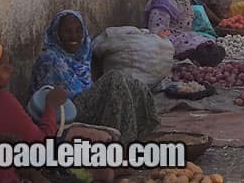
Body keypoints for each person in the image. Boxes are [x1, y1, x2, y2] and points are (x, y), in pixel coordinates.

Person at [31, 11, 158, 142]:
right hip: (65, 113)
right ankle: (121, 142)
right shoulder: (49, 59)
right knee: (114, 79)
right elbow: (61, 98)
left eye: (78, 30)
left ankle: (134, 135)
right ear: (56, 34)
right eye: (67, 31)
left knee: (134, 85)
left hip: (84, 106)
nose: (74, 36)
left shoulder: (82, 57)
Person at [0, 39, 69, 183]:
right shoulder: (0, 101)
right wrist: (51, 104)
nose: (12, 69)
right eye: (4, 67)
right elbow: (41, 145)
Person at [145, 0, 226, 67]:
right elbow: (157, 31)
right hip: (167, 40)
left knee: (212, 46)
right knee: (204, 51)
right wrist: (179, 41)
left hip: (184, 36)